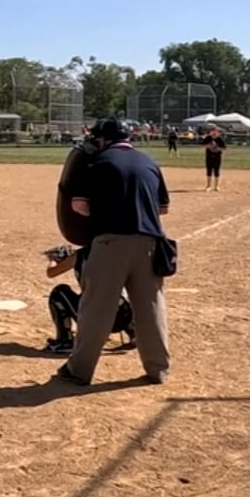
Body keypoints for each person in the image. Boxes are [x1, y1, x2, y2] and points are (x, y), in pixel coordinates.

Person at [59, 118, 172, 386]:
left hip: (110, 243)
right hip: (150, 242)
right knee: (151, 306)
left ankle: (79, 370)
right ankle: (158, 369)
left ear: (102, 140)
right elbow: (163, 208)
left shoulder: (97, 164)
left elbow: (79, 206)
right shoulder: (148, 162)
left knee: (96, 308)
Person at [43, 244, 133, 355]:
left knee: (60, 292)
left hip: (95, 322)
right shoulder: (118, 253)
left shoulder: (80, 255)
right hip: (123, 318)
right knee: (116, 295)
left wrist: (54, 259)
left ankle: (65, 340)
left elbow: (51, 272)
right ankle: (133, 331)